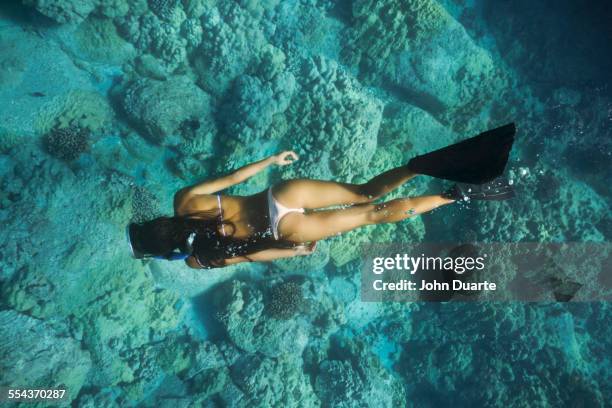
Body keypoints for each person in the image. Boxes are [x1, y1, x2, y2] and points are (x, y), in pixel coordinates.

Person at [127, 123, 516, 269]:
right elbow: (232, 176)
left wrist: (293, 252)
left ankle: (453, 194)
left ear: (164, 252)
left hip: (290, 229)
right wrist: (272, 159)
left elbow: (249, 254)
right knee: (365, 192)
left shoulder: (196, 262)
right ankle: (421, 166)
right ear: (155, 223)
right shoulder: (185, 200)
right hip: (280, 193)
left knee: (371, 215)